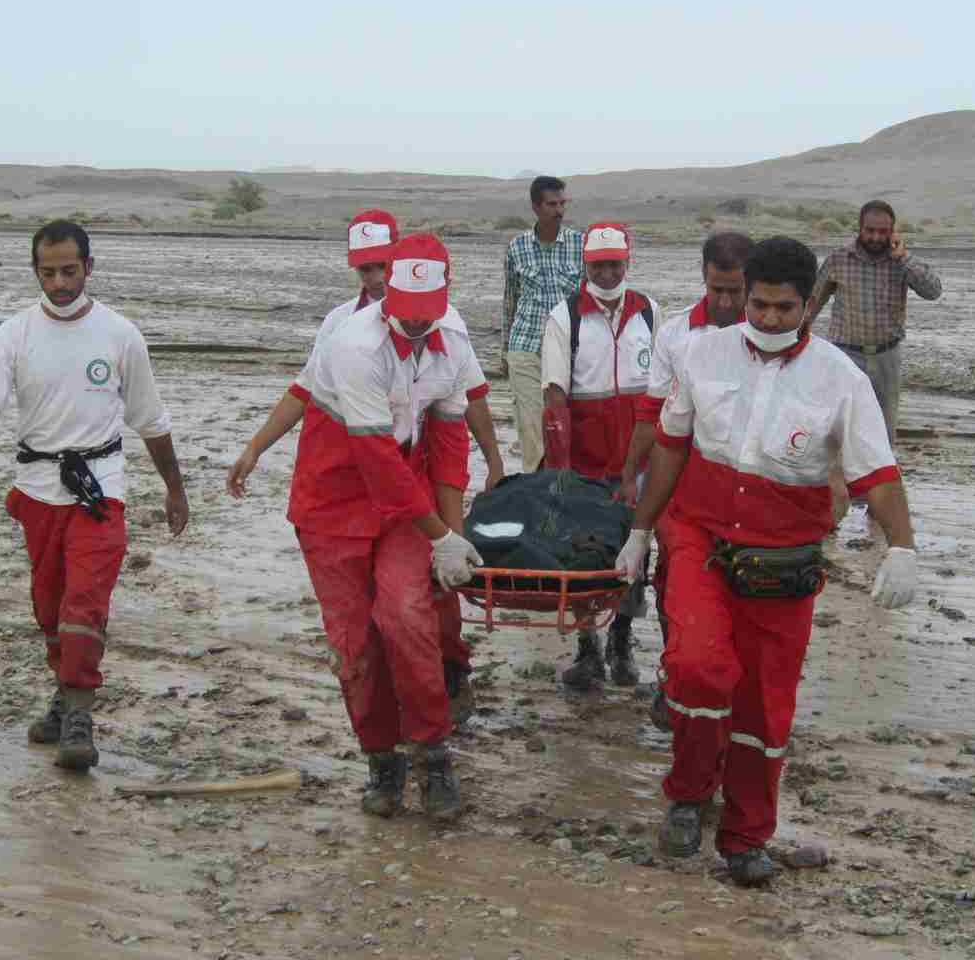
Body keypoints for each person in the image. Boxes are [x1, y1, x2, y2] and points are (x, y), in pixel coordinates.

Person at [616, 237, 918, 886]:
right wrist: (641, 533)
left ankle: (747, 834)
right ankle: (689, 793)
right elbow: (670, 446)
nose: (771, 319)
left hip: (785, 561)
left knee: (763, 703)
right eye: (760, 306)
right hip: (700, 538)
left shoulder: (842, 379)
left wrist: (902, 545)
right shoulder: (702, 353)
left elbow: (877, 472)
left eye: (785, 308)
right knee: (698, 668)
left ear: (809, 303)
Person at [225, 209, 502, 722]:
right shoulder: (343, 330)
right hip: (349, 486)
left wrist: (459, 525)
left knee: (418, 604)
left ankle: (447, 677)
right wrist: (256, 446)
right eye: (365, 269)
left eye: (380, 266)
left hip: (407, 483)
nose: (373, 278)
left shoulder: (451, 331)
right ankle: (389, 733)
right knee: (363, 629)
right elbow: (304, 393)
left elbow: (457, 422)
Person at [0, 219, 189, 772]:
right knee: (50, 607)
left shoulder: (121, 335)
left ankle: (79, 716)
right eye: (48, 273)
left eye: (69, 271)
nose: (59, 283)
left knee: (84, 603)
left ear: (89, 268)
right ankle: (63, 695)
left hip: (100, 492)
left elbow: (151, 419)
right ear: (36, 271)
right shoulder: (13, 336)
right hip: (35, 491)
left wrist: (175, 490)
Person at [284, 232, 484, 821]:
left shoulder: (454, 340)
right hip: (334, 500)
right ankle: (382, 760)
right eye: (408, 315)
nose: (419, 326)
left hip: (404, 502)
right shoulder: (353, 344)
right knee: (356, 644)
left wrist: (453, 538)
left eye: (429, 315)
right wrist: (441, 537)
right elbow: (375, 456)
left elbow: (449, 443)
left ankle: (433, 753)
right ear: (385, 298)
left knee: (407, 617)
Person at [619, 232, 753, 654]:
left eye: (736, 290)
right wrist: (629, 475)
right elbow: (650, 414)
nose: (727, 302)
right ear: (703, 278)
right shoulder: (676, 334)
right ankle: (674, 667)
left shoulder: (770, 332)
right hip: (680, 480)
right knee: (676, 575)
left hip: (747, 485)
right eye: (718, 290)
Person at [540, 222, 659, 689]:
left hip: (639, 459)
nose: (607, 272)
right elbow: (553, 396)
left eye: (615, 263)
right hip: (585, 461)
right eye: (598, 264)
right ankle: (587, 648)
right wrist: (560, 469)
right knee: (583, 552)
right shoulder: (564, 317)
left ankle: (622, 643)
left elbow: (660, 388)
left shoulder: (649, 311)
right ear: (585, 265)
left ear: (627, 262)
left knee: (635, 550)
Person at [808, 200, 941, 474]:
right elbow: (812, 303)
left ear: (893, 232)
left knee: (883, 426)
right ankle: (836, 487)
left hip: (886, 356)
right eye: (870, 230)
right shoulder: (838, 259)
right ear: (859, 228)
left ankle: (878, 496)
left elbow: (933, 291)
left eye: (883, 231)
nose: (876, 237)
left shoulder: (901, 262)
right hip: (844, 354)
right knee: (837, 422)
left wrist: (903, 258)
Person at [503, 175, 584, 472]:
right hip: (525, 347)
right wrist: (504, 353)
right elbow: (510, 300)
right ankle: (537, 494)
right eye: (552, 204)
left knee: (564, 424)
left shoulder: (580, 244)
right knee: (531, 427)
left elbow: (588, 301)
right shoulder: (517, 247)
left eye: (563, 203)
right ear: (536, 207)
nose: (559, 210)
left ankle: (566, 489)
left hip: (568, 351)